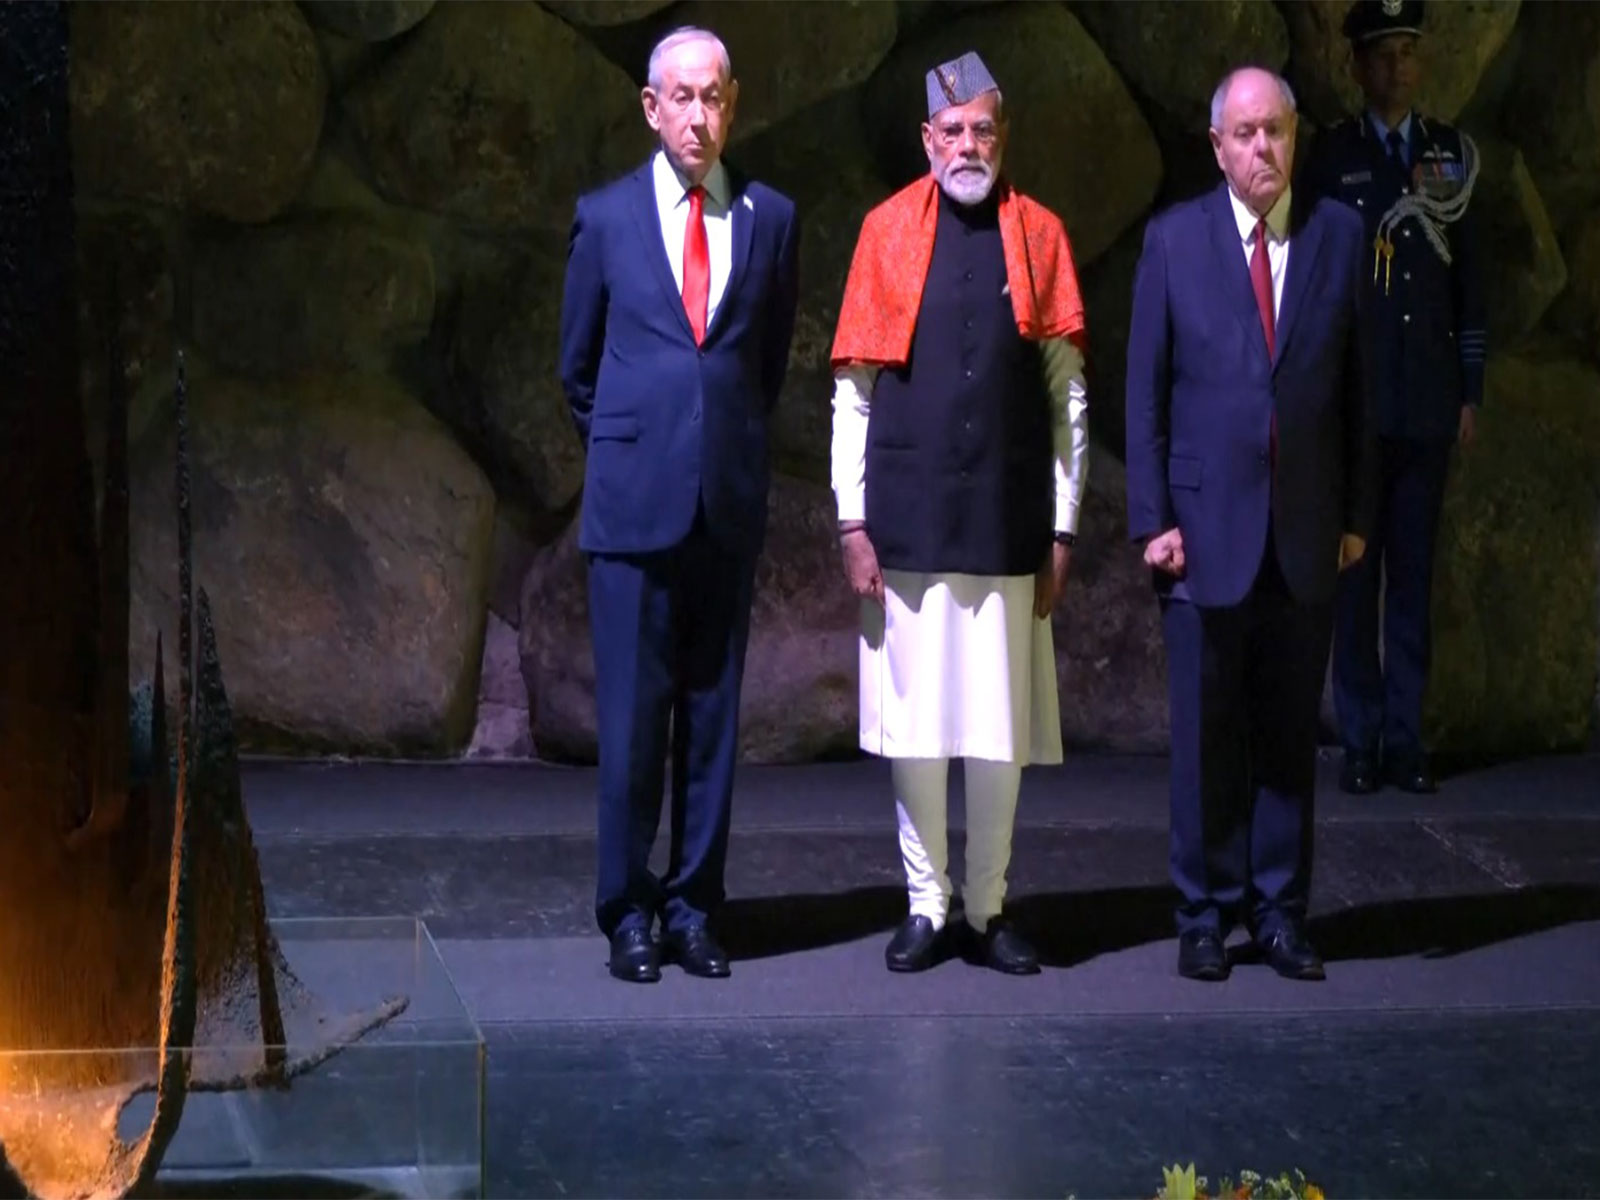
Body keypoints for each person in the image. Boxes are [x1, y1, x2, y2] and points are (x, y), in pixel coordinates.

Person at [828, 50, 1090, 976]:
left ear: (1001, 133)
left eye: (983, 127)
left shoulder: (1041, 234)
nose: (968, 144)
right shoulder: (886, 231)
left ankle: (987, 906)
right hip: (906, 520)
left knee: (996, 730)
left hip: (1007, 520)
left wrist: (1063, 529)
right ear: (926, 139)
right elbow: (853, 392)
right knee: (914, 726)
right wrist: (852, 521)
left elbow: (1067, 396)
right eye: (952, 130)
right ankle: (926, 903)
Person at [558, 26, 800, 984]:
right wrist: (637, 449)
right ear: (652, 109)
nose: (698, 116)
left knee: (712, 720)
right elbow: (576, 367)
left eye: (713, 97)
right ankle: (627, 907)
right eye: (680, 99)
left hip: (725, 504)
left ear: (731, 103)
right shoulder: (608, 218)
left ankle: (696, 904)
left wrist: (715, 444)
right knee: (630, 723)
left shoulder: (770, 218)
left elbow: (766, 359)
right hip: (632, 508)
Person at [1125, 66, 1377, 982]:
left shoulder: (1339, 237)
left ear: (1294, 136)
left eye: (1276, 131)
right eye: (1246, 134)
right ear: (1217, 145)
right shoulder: (1172, 241)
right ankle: (1203, 912)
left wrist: (1355, 516)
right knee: (1203, 738)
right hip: (1199, 532)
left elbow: (1358, 392)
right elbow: (1144, 390)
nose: (1263, 148)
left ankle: (1280, 911)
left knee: (1286, 737)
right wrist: (1151, 517)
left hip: (1307, 529)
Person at [1304, 0, 1486, 797]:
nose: (1397, 68)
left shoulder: (1447, 155)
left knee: (1412, 575)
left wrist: (1469, 388)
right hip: (1355, 405)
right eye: (1382, 54)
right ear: (1357, 65)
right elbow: (1310, 281)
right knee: (1355, 577)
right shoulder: (1333, 157)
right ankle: (1362, 739)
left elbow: (1468, 283)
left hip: (1425, 399)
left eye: (1408, 52)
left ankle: (1407, 740)